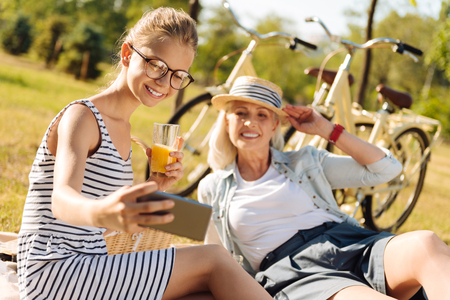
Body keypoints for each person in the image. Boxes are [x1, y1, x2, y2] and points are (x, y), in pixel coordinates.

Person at [17, 9, 274, 300]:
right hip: (54, 271)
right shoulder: (83, 116)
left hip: (89, 261)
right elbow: (61, 200)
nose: (165, 83)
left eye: (178, 75)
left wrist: (156, 184)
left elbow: (111, 203)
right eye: (156, 66)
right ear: (127, 53)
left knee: (207, 293)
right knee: (213, 260)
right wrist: (102, 212)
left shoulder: (123, 128)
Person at [198, 76, 450, 300]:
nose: (250, 122)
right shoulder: (212, 187)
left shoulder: (305, 162)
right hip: (295, 270)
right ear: (227, 121)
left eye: (262, 115)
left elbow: (388, 169)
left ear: (275, 125)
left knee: (425, 244)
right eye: (241, 113)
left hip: (348, 241)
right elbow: (217, 258)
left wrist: (325, 128)